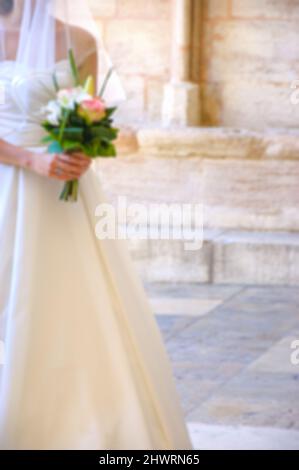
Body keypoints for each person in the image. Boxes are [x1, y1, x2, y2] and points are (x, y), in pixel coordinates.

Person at [0, 0, 192, 450]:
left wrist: (80, 151)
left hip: (62, 198)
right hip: (11, 178)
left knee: (65, 305)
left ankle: (70, 424)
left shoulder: (80, 42)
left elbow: (90, 116)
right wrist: (31, 159)